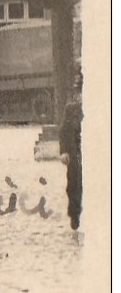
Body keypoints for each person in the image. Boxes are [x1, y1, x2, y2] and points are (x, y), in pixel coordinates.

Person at [60, 99, 82, 232]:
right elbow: (64, 132)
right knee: (73, 186)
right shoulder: (72, 108)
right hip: (76, 156)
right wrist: (64, 151)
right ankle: (75, 216)